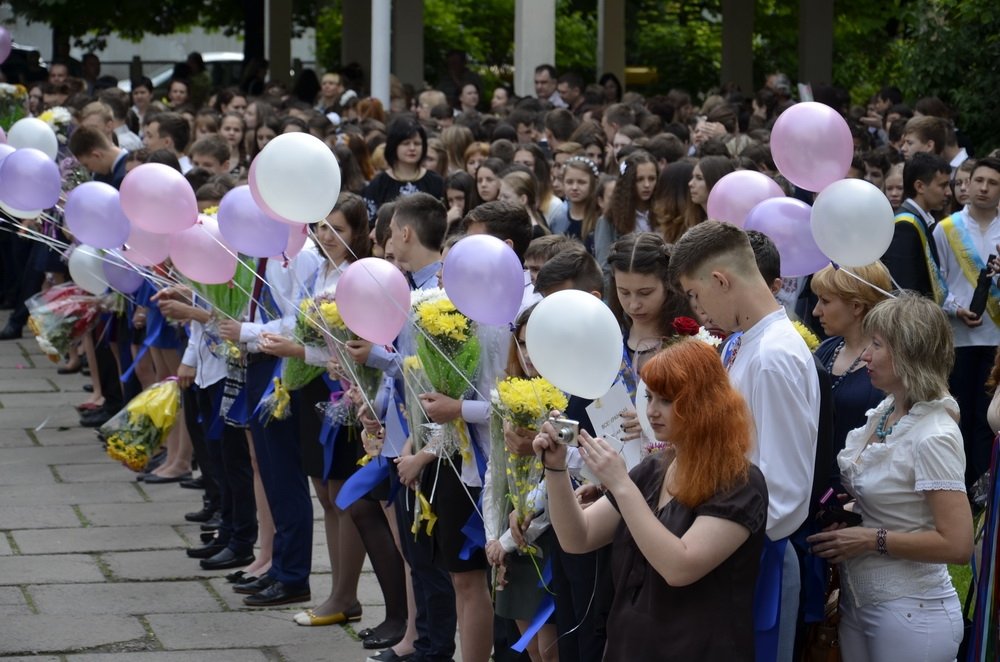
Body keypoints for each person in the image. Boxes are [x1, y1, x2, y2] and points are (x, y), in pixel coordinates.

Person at [536, 336, 767, 659]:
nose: (652, 411)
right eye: (649, 397)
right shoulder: (653, 469)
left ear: (705, 403)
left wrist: (620, 483)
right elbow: (578, 537)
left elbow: (680, 567)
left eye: (667, 400)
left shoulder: (740, 481)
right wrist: (556, 470)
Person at [669, 221, 820, 661]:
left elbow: (784, 488)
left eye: (695, 296)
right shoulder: (744, 343)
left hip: (752, 556)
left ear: (721, 280)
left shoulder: (774, 356)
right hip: (730, 548)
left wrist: (706, 543)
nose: (696, 311)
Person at [807, 294, 973, 662]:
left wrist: (869, 539)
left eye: (877, 345)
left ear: (909, 352)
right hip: (861, 603)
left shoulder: (934, 435)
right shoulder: (887, 410)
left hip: (912, 612)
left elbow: (958, 544)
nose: (865, 355)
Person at [933, 156, 1000, 489]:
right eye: (979, 181)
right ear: (967, 184)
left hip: (997, 340)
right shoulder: (946, 229)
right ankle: (956, 487)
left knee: (989, 421)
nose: (984, 188)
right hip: (958, 337)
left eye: (993, 183)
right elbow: (937, 282)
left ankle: (985, 492)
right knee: (957, 415)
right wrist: (955, 309)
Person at [811, 262, 893, 454]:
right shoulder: (826, 350)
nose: (816, 311)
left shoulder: (888, 362)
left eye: (825, 301)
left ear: (856, 306)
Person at [881, 152, 952, 298]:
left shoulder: (919, 219)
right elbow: (905, 289)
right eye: (942, 185)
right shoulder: (905, 226)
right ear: (920, 186)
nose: (948, 192)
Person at [361, 117, 445, 221]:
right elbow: (369, 221)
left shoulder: (436, 182)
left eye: (417, 143)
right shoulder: (379, 184)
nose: (412, 148)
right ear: (394, 146)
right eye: (406, 143)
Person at [595, 151, 659, 273]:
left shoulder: (664, 214)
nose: (647, 185)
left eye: (652, 179)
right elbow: (605, 267)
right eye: (639, 179)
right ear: (628, 182)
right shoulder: (609, 220)